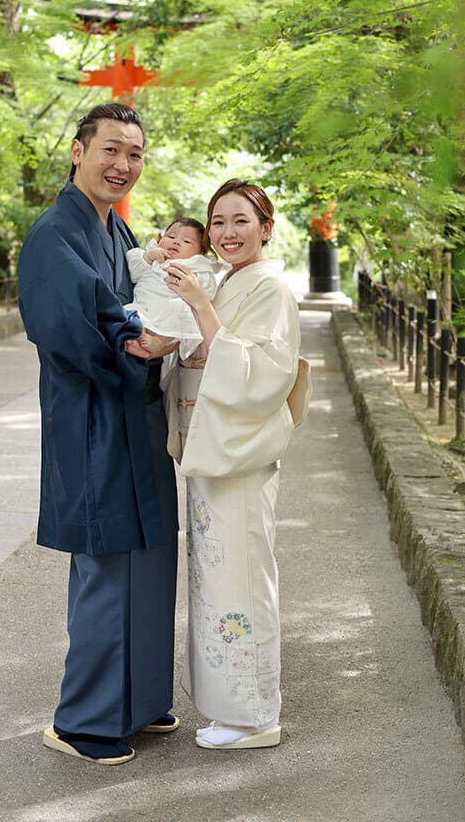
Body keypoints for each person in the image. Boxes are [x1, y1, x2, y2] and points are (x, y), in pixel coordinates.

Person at [17, 103, 179, 766]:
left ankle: (136, 705)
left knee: (148, 557)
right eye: (111, 150)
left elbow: (136, 299)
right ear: (78, 152)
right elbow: (65, 326)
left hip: (133, 417)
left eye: (134, 154)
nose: (122, 165)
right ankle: (83, 718)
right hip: (92, 420)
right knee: (107, 565)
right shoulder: (56, 232)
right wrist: (135, 343)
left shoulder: (116, 228)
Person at [163, 179, 301, 750]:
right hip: (211, 450)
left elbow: (261, 372)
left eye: (241, 221)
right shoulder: (229, 282)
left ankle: (255, 716)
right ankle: (228, 706)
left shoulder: (271, 288)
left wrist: (198, 305)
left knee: (242, 578)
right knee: (216, 579)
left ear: (266, 228)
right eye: (217, 222)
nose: (226, 233)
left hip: (238, 455)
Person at [125, 217, 222, 359]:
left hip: (170, 309)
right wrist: (148, 257)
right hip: (143, 305)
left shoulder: (196, 266)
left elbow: (207, 292)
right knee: (128, 313)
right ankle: (136, 338)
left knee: (181, 309)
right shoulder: (150, 256)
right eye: (171, 236)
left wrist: (194, 281)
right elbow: (133, 274)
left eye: (187, 241)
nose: (176, 242)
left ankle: (159, 341)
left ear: (200, 252)